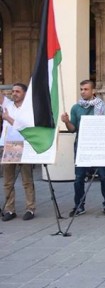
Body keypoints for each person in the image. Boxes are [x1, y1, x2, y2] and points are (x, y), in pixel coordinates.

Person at [61, 80, 105, 216]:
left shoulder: (102, 106)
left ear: (93, 91)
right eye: (81, 89)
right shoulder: (76, 108)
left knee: (103, 175)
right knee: (79, 177)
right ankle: (79, 206)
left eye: (86, 89)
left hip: (99, 145)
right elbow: (73, 129)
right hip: (82, 146)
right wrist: (67, 122)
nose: (83, 92)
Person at [1, 83, 36, 221]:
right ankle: (10, 209)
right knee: (8, 180)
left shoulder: (29, 109)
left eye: (17, 91)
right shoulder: (8, 105)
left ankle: (30, 208)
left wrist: (7, 118)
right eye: (13, 91)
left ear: (24, 94)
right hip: (10, 145)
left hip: (24, 144)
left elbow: (23, 127)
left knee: (26, 179)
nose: (14, 93)